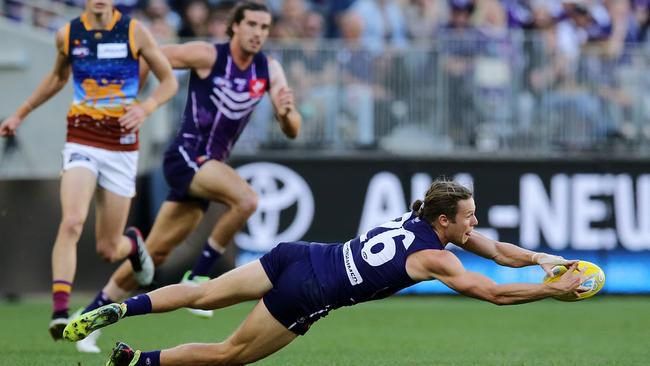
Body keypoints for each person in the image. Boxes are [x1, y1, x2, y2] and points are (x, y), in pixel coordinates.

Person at [64, 179, 588, 366]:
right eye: (470, 215)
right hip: (310, 290)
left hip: (300, 254)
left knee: (203, 296)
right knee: (228, 355)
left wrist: (542, 260)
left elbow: (496, 251)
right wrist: (553, 292)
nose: (477, 222)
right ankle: (139, 363)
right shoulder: (438, 257)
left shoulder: (423, 218)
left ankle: (118, 309)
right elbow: (494, 294)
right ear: (446, 220)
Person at [73, 0, 302, 353]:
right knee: (247, 199)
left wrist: (286, 113)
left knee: (154, 255)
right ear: (235, 26)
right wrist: (137, 100)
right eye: (252, 25)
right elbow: (149, 54)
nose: (258, 33)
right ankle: (198, 276)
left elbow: (293, 130)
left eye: (264, 27)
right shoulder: (208, 55)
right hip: (186, 156)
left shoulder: (268, 69)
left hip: (208, 169)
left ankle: (89, 318)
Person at [0, 0, 178, 340]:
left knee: (109, 248)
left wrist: (146, 108)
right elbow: (57, 77)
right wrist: (21, 113)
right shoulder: (68, 35)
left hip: (122, 148)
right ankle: (60, 310)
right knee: (72, 221)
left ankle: (132, 244)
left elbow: (169, 81)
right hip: (81, 139)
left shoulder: (134, 32)